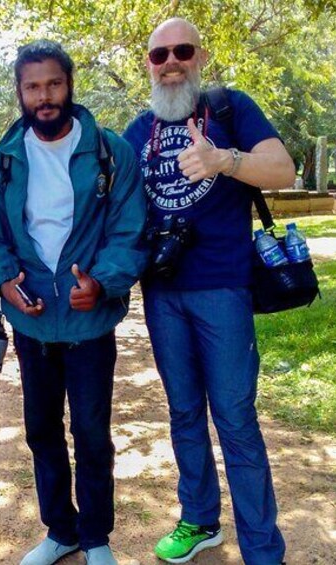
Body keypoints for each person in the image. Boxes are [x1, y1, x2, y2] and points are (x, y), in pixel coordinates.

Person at [123, 18, 296, 565]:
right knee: (183, 413)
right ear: (148, 65)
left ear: (200, 56)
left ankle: (263, 548)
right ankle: (199, 520)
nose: (170, 62)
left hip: (223, 286)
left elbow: (284, 170)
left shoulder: (229, 108)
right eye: (159, 55)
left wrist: (225, 159)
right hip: (163, 291)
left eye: (182, 51)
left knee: (235, 415)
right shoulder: (136, 132)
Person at [0, 40, 146, 565]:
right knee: (42, 431)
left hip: (90, 323)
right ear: (20, 93)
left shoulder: (112, 153)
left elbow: (128, 230)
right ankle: (59, 531)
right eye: (32, 87)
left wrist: (102, 282)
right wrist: (5, 282)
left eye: (53, 84)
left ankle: (96, 538)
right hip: (34, 324)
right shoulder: (2, 162)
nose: (44, 96)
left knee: (92, 433)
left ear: (69, 86)